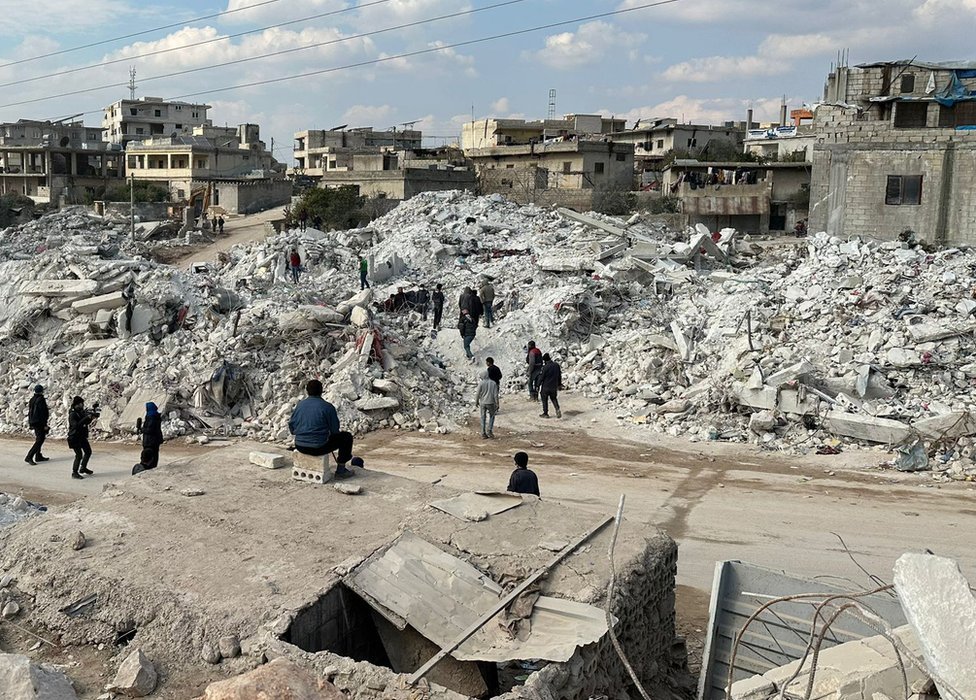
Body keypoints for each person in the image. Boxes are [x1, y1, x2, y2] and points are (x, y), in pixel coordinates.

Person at [288, 380, 355, 479]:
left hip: (300, 445)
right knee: (346, 437)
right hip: (318, 448)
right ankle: (341, 470)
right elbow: (335, 431)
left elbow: (292, 427)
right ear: (321, 390)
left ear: (307, 391)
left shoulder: (300, 405)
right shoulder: (327, 407)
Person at [67, 396, 97, 479]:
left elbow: (85, 422)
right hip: (74, 437)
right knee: (79, 455)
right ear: (77, 404)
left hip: (81, 436)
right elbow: (76, 425)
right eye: (81, 404)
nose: (82, 405)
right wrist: (86, 418)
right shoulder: (72, 414)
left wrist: (90, 418)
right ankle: (74, 472)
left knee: (88, 452)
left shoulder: (80, 412)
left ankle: (83, 467)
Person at [24, 385, 50, 465]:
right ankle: (29, 456)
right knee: (40, 440)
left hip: (34, 422)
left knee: (39, 439)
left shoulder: (32, 399)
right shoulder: (41, 399)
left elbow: (30, 412)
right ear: (41, 391)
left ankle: (38, 455)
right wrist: (44, 424)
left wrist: (31, 423)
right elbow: (42, 413)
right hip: (39, 423)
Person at [138, 402, 164, 469]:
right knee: (153, 456)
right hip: (153, 441)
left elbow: (150, 430)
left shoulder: (151, 417)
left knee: (149, 456)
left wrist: (142, 429)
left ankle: (148, 468)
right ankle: (152, 467)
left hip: (150, 441)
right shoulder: (154, 416)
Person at [476, 370, 499, 439]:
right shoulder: (493, 383)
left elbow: (477, 393)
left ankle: (483, 433)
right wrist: (497, 403)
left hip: (483, 403)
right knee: (492, 416)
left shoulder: (481, 383)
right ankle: (489, 430)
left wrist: (476, 401)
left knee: (483, 417)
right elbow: (495, 395)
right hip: (491, 402)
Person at [539, 353, 562, 419]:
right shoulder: (556, 365)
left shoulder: (545, 367)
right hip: (554, 386)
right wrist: (559, 384)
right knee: (554, 398)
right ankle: (557, 409)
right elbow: (559, 376)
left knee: (544, 399)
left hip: (546, 386)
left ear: (545, 361)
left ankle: (545, 413)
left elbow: (542, 377)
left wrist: (537, 385)